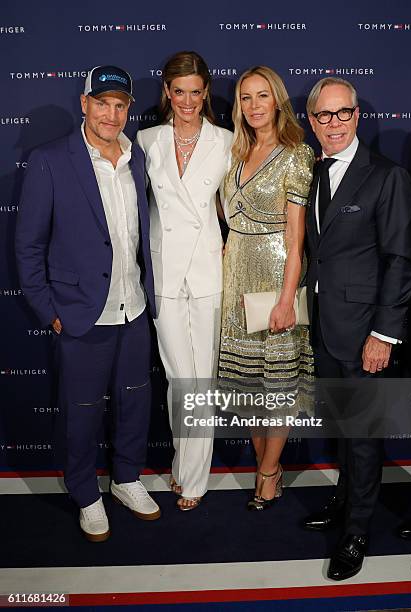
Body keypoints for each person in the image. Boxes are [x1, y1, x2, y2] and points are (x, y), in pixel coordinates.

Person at [15, 65, 160, 542]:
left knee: (135, 403)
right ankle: (85, 493)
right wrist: (48, 310)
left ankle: (125, 478)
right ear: (84, 104)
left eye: (120, 105)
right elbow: (28, 246)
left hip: (133, 307)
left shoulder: (136, 156)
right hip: (80, 313)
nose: (112, 114)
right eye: (102, 103)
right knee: (80, 409)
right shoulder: (50, 160)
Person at [303, 77, 411, 580]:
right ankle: (345, 502)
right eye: (323, 115)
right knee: (345, 430)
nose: (333, 124)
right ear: (311, 120)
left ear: (357, 116)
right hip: (327, 327)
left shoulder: (386, 177)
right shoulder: (310, 172)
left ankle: (357, 531)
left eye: (342, 113)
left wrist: (384, 335)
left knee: (365, 435)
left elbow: (400, 260)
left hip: (366, 331)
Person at [136, 51, 232, 511]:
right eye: (179, 92)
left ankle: (192, 478)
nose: (187, 100)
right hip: (165, 271)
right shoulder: (146, 139)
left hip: (210, 272)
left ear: (206, 92)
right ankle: (182, 465)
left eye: (196, 92)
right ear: (167, 93)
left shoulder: (227, 141)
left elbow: (234, 205)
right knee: (179, 378)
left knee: (203, 379)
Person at [217, 66, 314, 511]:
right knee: (249, 387)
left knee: (277, 388)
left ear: (277, 100)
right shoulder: (236, 152)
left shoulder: (296, 153)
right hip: (234, 280)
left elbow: (296, 240)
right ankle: (263, 463)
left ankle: (270, 471)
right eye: (246, 98)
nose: (254, 106)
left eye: (262, 96)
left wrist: (286, 299)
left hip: (275, 278)